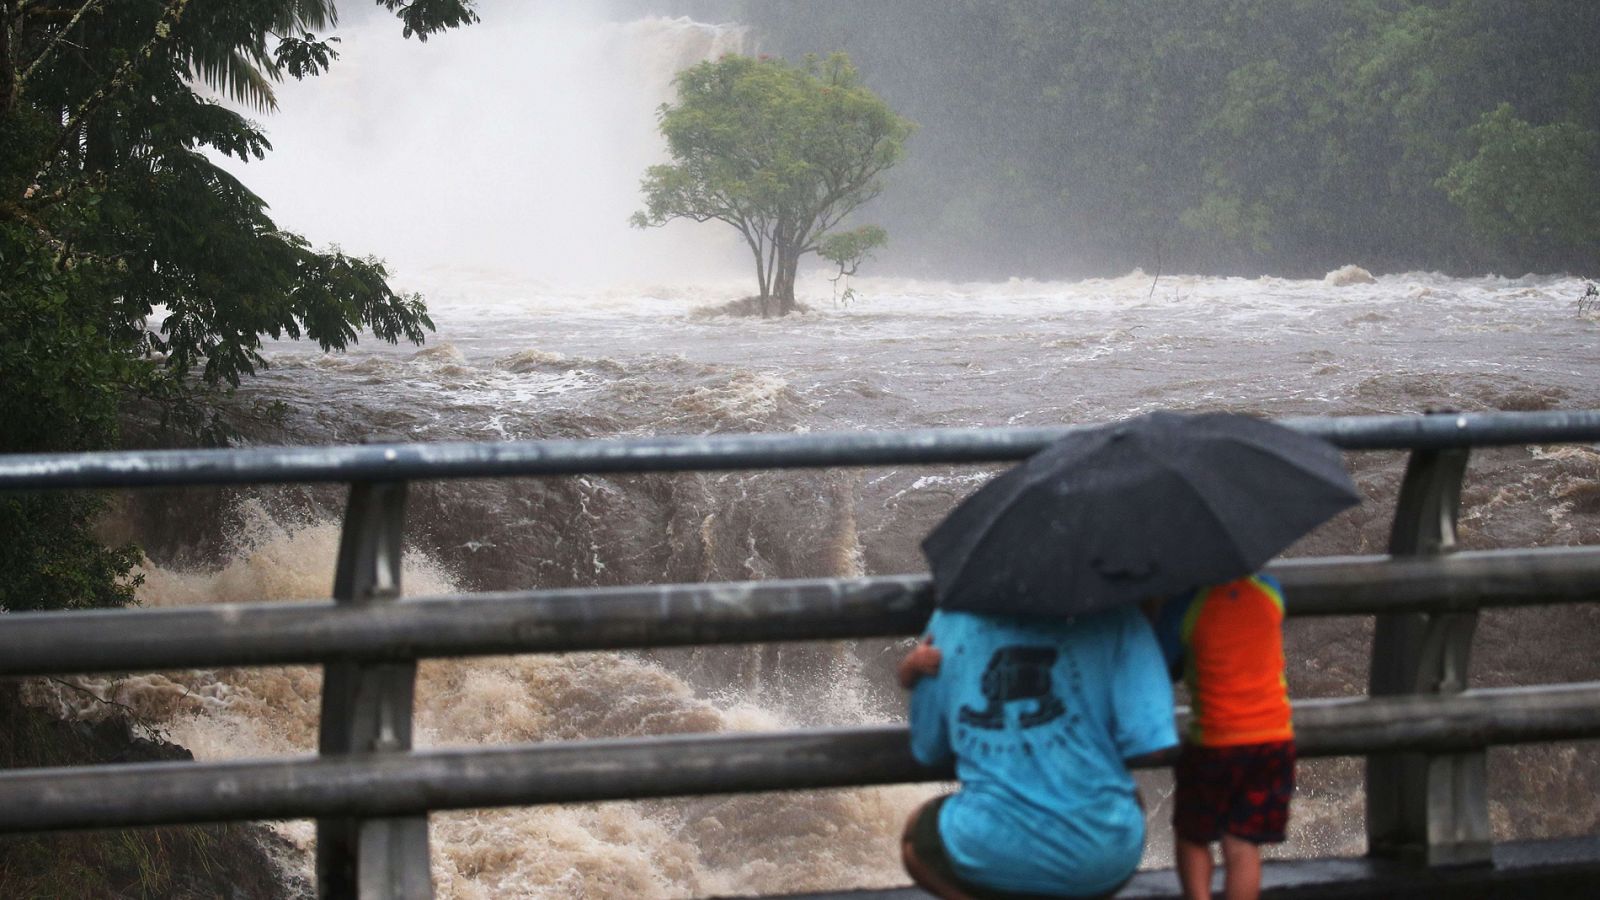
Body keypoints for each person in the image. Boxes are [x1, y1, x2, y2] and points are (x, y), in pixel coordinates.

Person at [898, 605, 1178, 899]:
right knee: (1129, 799)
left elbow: (928, 750)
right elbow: (1152, 747)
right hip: (1101, 858)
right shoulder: (1122, 618)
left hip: (990, 850)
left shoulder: (951, 620)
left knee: (916, 837)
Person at [1151, 574, 1296, 900]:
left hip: (1217, 742)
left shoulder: (1187, 605)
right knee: (1242, 843)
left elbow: (1162, 664)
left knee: (1192, 836)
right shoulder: (1270, 590)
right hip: (1274, 739)